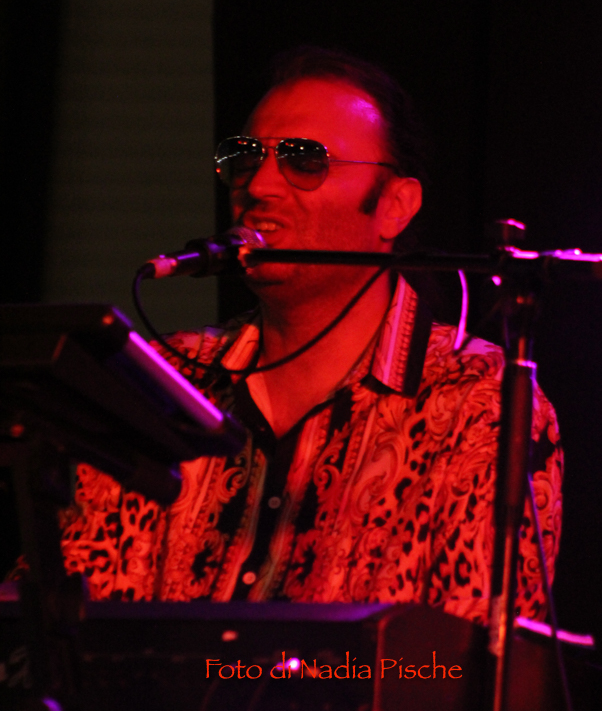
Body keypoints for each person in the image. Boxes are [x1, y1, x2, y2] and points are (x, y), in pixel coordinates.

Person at [60, 48, 562, 623]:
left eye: (304, 160)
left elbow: (462, 663)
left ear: (395, 206)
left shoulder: (477, 403)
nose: (259, 185)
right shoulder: (162, 384)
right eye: (244, 158)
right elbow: (64, 630)